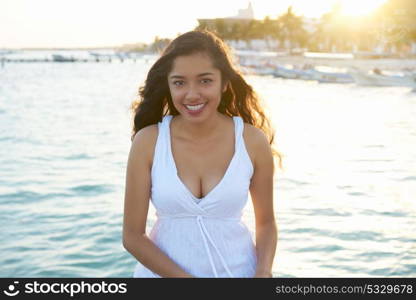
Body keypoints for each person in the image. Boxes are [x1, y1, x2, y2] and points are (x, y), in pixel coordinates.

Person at [122, 30, 282, 278]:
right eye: (179, 82)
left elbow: (266, 224)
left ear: (224, 82)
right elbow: (132, 236)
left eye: (205, 81)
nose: (192, 94)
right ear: (169, 85)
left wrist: (263, 271)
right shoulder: (148, 141)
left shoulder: (251, 141)